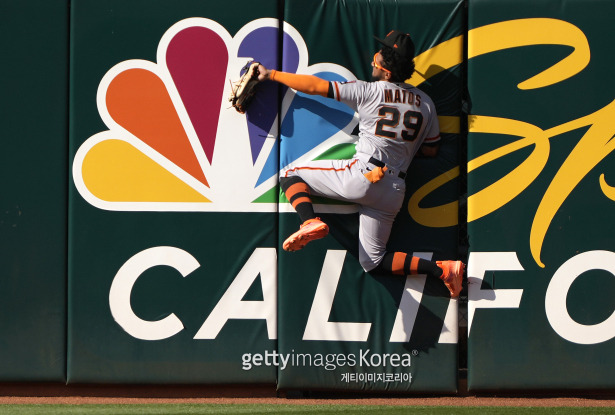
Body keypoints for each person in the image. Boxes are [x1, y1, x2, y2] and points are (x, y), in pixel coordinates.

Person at [257, 30, 464, 297]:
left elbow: (315, 86)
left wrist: (271, 75)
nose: (373, 61)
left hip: (364, 175)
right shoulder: (425, 103)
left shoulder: (369, 91)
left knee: (291, 173)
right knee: (373, 261)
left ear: (387, 70)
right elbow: (432, 149)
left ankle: (308, 221)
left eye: (378, 57)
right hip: (394, 190)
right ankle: (443, 271)